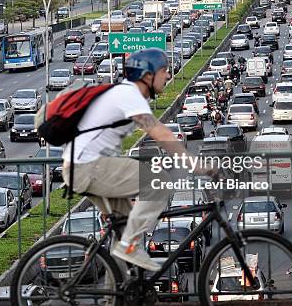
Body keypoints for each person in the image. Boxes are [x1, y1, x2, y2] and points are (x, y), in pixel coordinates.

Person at [61, 48, 209, 272]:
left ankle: (118, 290)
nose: (168, 76)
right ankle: (128, 246)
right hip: (87, 168)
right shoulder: (129, 95)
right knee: (159, 181)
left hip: (84, 168)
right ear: (148, 76)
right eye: (164, 71)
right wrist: (196, 164)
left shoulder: (126, 94)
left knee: (124, 225)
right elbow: (162, 134)